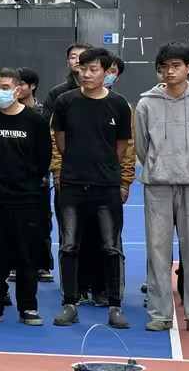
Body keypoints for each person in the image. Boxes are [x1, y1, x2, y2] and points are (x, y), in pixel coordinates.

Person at [135, 44, 189, 335]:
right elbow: (142, 147)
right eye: (165, 67)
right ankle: (159, 313)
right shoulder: (146, 104)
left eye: (176, 66)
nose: (170, 72)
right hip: (157, 186)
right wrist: (157, 166)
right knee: (157, 251)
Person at [51, 48, 132, 329]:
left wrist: (108, 170)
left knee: (111, 246)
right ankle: (70, 303)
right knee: (69, 245)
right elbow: (61, 141)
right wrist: (76, 165)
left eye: (93, 69)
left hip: (106, 186)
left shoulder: (119, 105)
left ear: (107, 72)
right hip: (72, 184)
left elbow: (121, 146)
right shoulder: (65, 102)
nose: (86, 74)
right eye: (82, 68)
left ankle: (114, 305)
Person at [0, 68, 52, 324]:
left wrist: (28, 184)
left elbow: (43, 159)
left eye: (5, 87)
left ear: (18, 89)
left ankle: (28, 307)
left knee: (27, 254)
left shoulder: (35, 122)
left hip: (26, 199)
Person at [18, 66, 55, 282]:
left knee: (42, 221)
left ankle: (42, 264)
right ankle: (15, 264)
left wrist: (44, 171)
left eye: (22, 84)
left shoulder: (44, 112)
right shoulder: (7, 110)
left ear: (32, 86)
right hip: (13, 176)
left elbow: (49, 145)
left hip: (39, 176)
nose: (18, 88)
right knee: (15, 221)